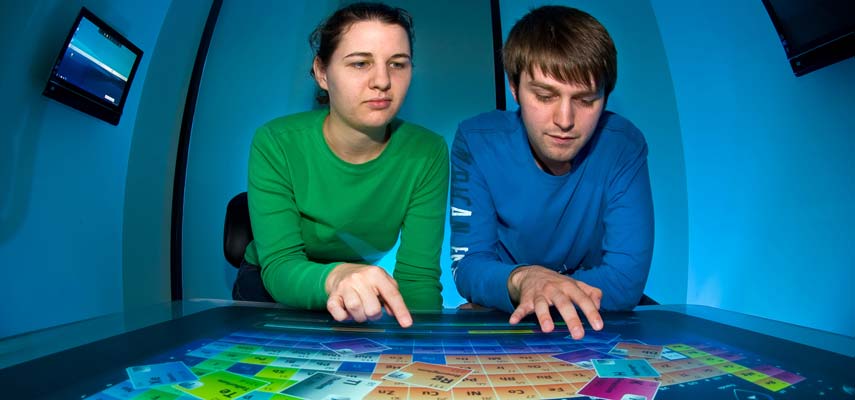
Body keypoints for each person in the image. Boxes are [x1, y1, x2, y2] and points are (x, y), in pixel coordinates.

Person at [233, 2, 449, 328]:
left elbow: (417, 279)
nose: (382, 80)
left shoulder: (428, 152)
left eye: (398, 64)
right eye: (360, 63)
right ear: (322, 72)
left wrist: (424, 355)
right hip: (269, 284)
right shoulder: (275, 142)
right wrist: (336, 277)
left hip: (354, 286)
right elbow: (279, 265)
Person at [450, 5, 654, 339]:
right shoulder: (476, 141)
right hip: (533, 318)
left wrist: (511, 292)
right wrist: (524, 280)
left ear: (605, 98)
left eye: (586, 100)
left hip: (574, 323)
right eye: (545, 96)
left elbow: (625, 283)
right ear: (514, 88)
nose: (565, 120)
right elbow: (469, 267)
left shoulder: (624, 147)